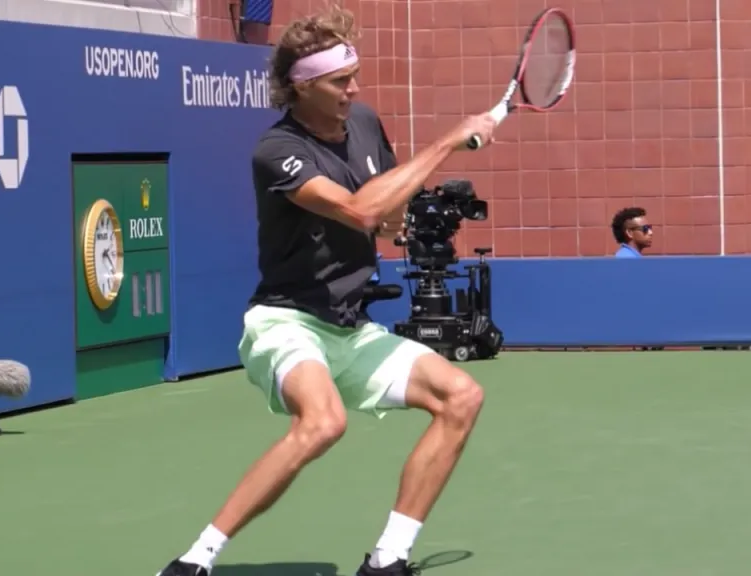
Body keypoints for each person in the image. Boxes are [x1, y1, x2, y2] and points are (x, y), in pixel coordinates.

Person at [155, 6, 497, 576]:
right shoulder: (275, 150)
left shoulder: (363, 123)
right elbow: (360, 209)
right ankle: (196, 560)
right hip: (285, 322)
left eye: (354, 76)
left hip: (351, 328)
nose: (353, 89)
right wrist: (450, 142)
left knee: (462, 396)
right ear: (302, 85)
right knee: (324, 422)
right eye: (340, 81)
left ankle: (388, 558)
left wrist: (401, 220)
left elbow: (382, 213)